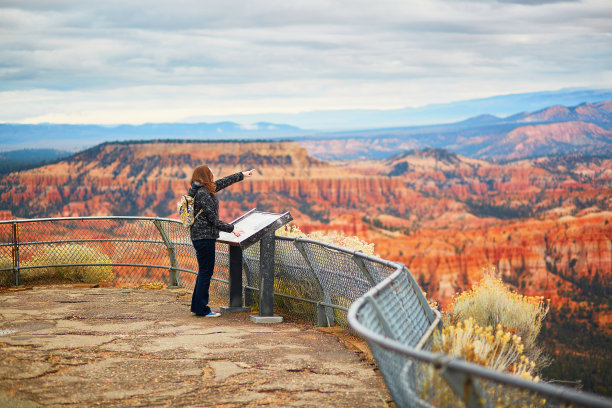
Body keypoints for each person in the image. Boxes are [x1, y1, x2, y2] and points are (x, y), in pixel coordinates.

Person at [188, 165, 254, 317]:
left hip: (200, 237)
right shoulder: (203, 193)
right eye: (211, 172)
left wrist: (242, 175)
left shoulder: (200, 189)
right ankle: (202, 309)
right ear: (205, 175)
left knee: (203, 272)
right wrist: (232, 229)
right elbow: (213, 219)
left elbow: (223, 182)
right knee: (206, 272)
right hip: (204, 238)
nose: (213, 174)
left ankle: (197, 306)